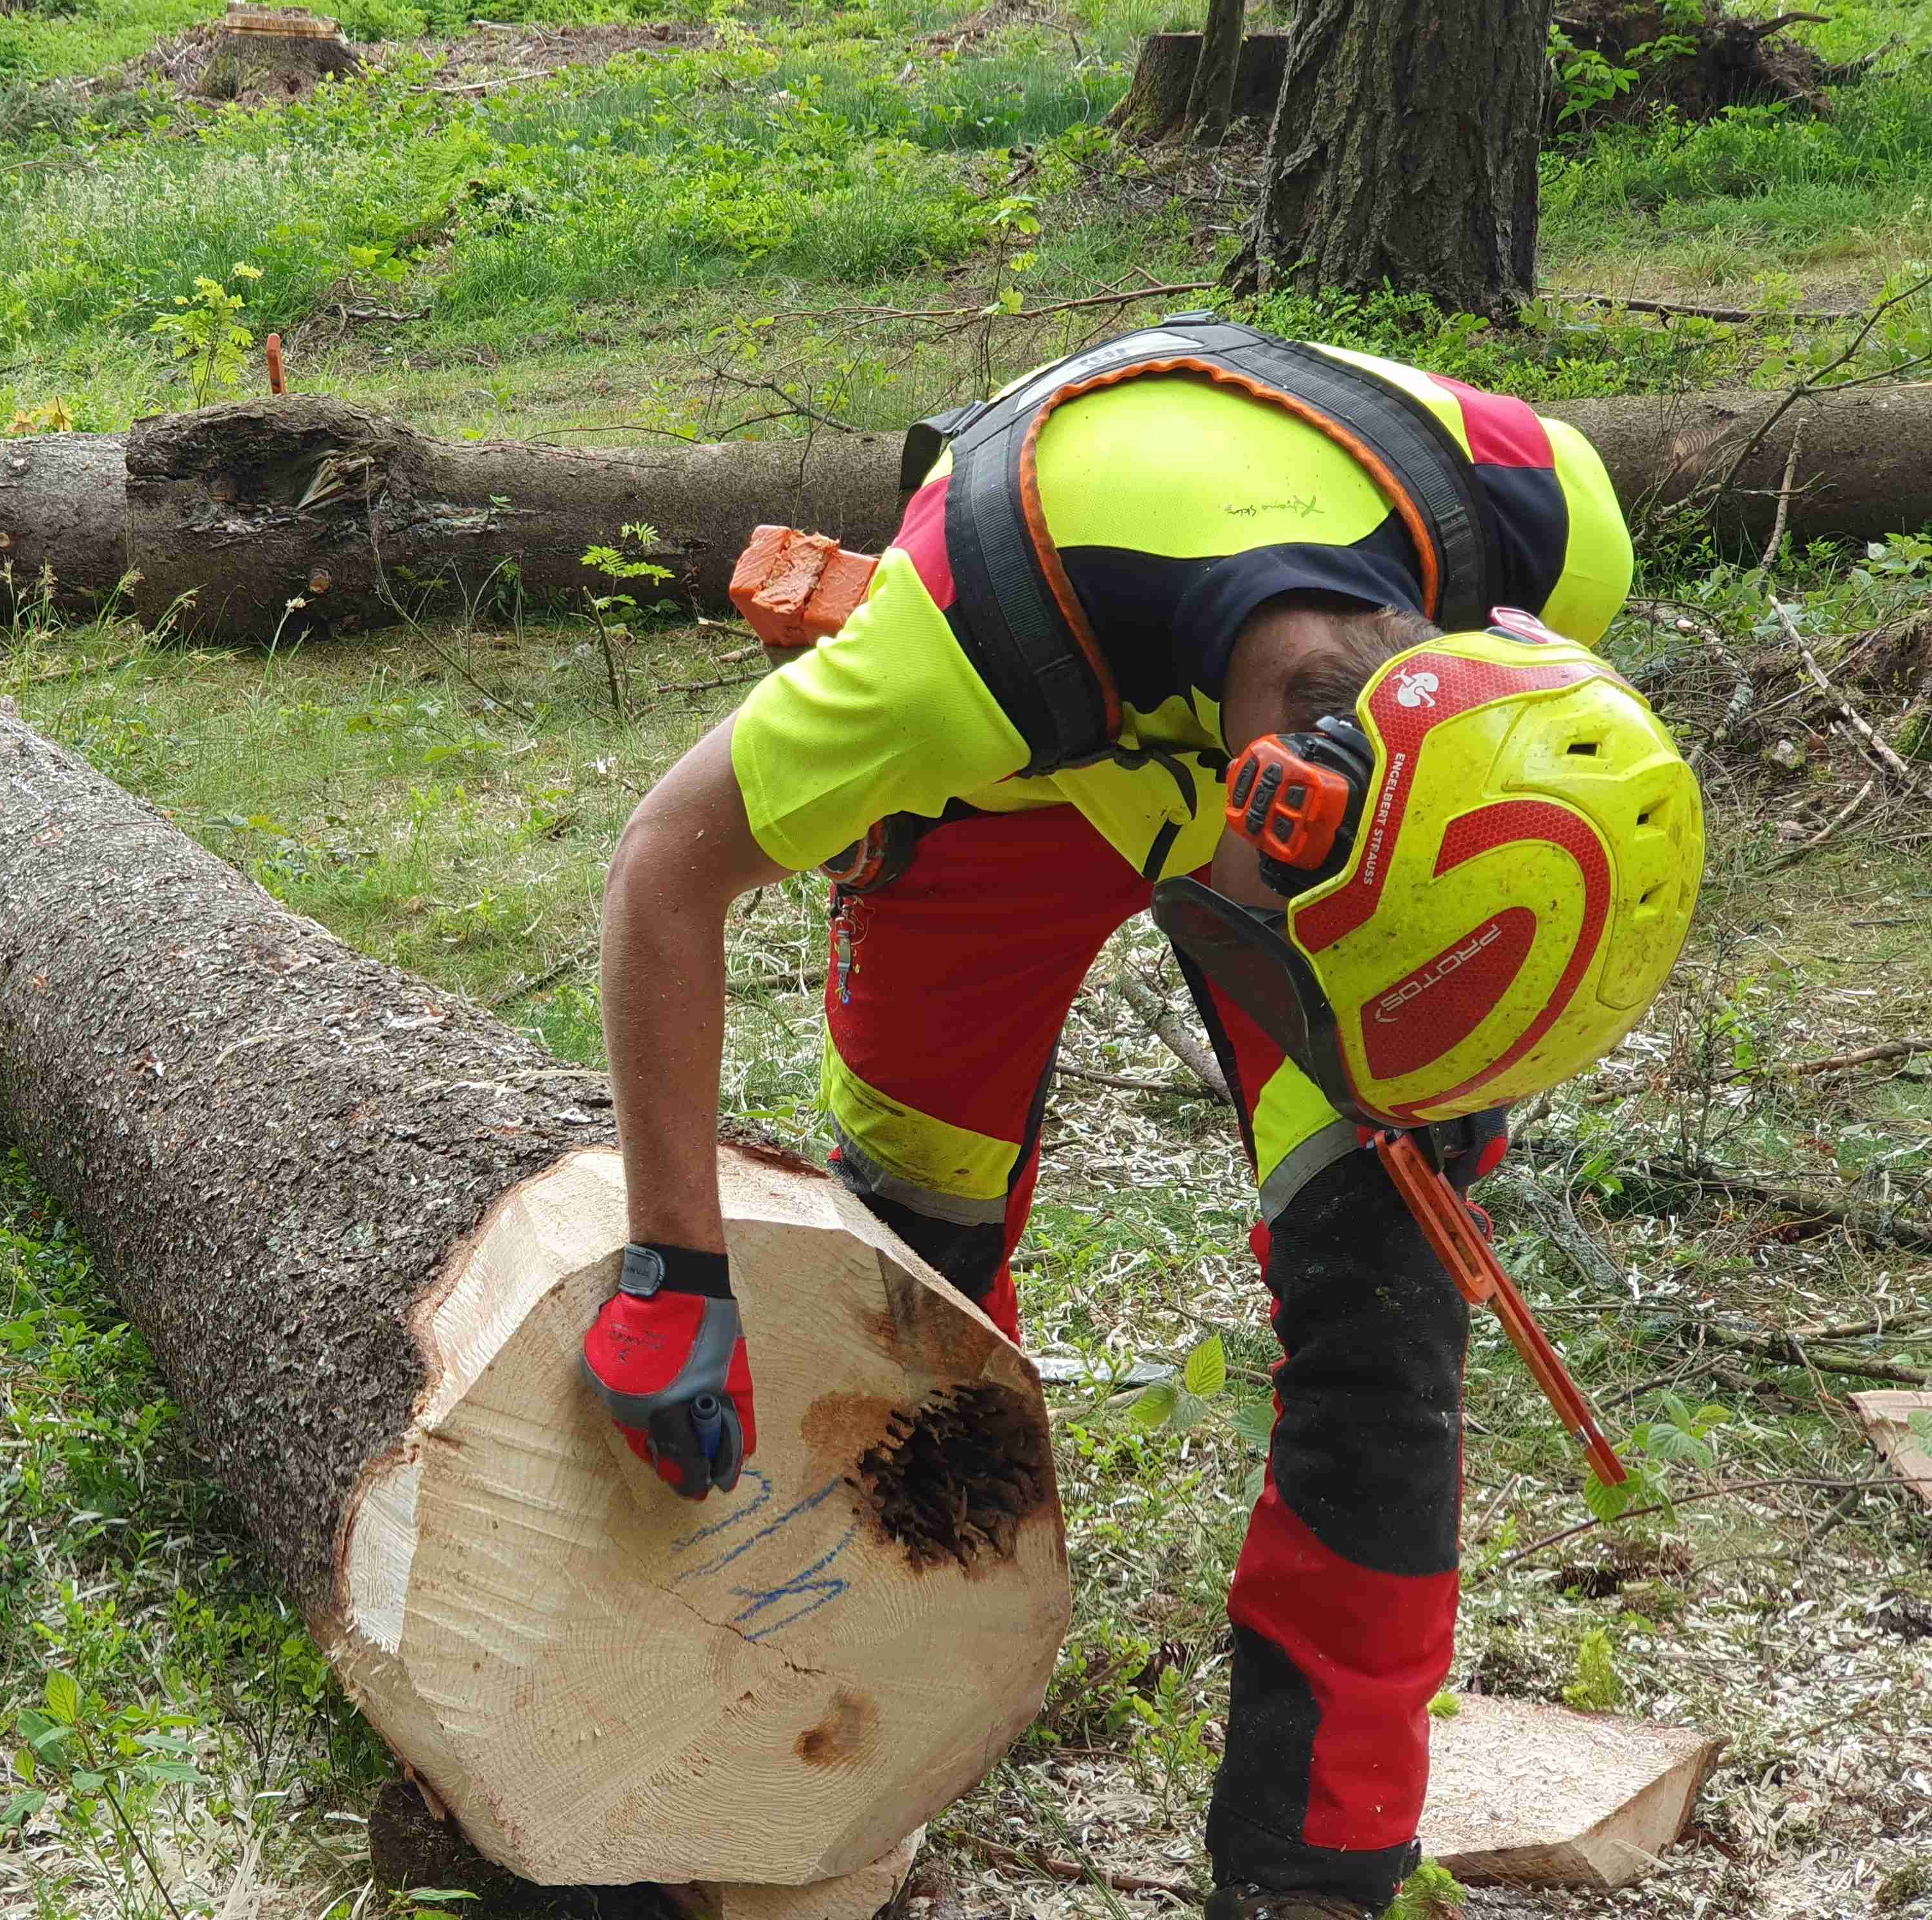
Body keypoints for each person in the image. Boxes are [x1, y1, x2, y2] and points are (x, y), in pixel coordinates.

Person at [578, 320, 1705, 1920]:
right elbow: (662, 868)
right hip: (1015, 770)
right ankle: (879, 1698)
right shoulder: (956, 655)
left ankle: (1312, 1876)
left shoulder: (1541, 516)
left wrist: (1442, 1063)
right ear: (1275, 809)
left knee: (1387, 1319)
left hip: (1283, 761)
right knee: (922, 1267)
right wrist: (672, 1265)